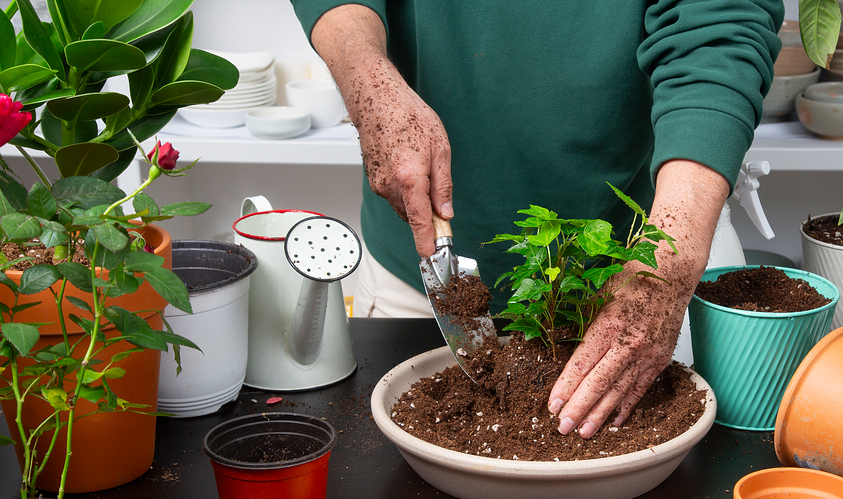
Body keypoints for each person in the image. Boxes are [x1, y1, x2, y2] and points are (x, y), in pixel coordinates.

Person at [290, 0, 783, 439]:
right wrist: (365, 78)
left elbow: (719, 28)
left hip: (626, 279)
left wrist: (668, 264)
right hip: (410, 286)